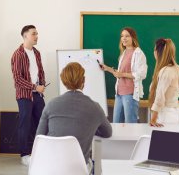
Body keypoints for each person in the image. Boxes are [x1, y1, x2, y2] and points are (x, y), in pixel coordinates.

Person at [36, 62, 112, 174]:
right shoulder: (95, 107)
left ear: (64, 81)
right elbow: (107, 133)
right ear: (83, 81)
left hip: (51, 168)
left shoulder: (51, 104)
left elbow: (39, 138)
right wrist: (90, 129)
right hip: (78, 170)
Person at [11, 25, 46, 166]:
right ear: (25, 36)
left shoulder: (36, 53)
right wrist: (34, 86)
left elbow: (40, 72)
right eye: (34, 34)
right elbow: (18, 79)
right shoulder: (18, 54)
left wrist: (41, 85)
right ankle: (24, 155)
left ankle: (41, 152)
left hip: (37, 94)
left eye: (37, 33)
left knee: (43, 123)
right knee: (24, 125)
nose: (37, 36)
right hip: (24, 95)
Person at [100, 27, 147, 123]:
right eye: (122, 36)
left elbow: (142, 74)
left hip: (130, 94)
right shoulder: (124, 53)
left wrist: (122, 74)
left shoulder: (138, 53)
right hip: (119, 94)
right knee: (116, 124)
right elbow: (120, 74)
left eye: (127, 36)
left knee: (130, 125)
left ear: (133, 38)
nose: (124, 38)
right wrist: (107, 68)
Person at [149, 38, 179, 127]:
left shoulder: (165, 71)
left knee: (163, 141)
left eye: (154, 50)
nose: (154, 52)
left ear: (158, 52)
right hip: (177, 112)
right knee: (176, 141)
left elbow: (159, 96)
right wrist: (176, 89)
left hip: (165, 115)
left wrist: (153, 119)